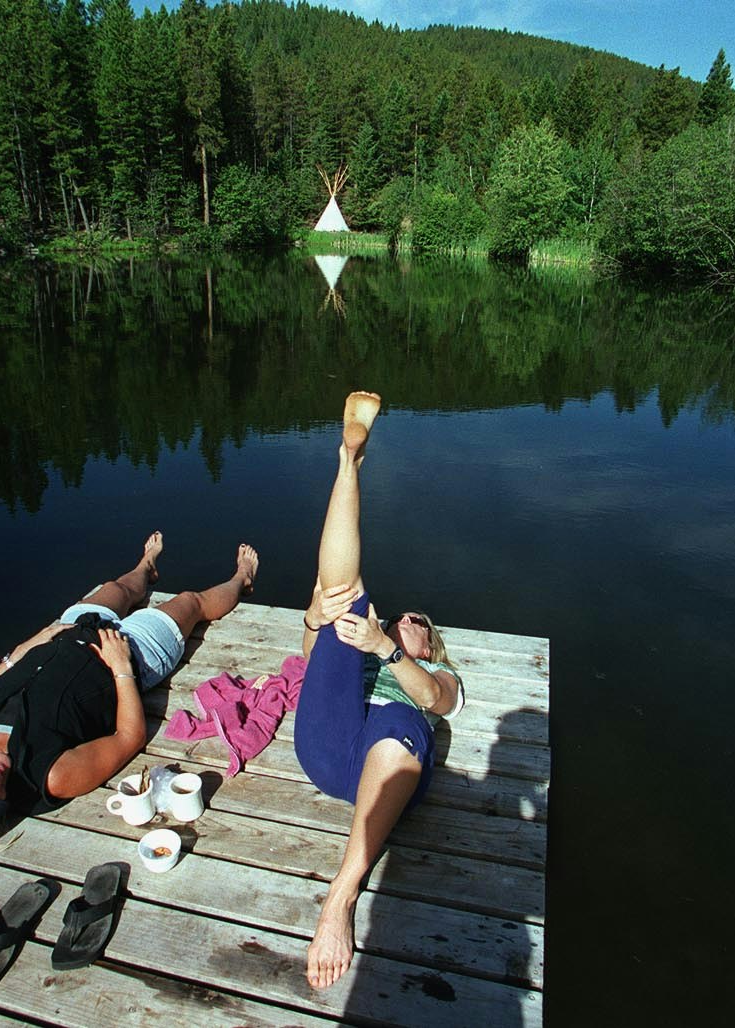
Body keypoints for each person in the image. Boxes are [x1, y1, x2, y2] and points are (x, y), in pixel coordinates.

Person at [0, 533, 258, 860]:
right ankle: (241, 578)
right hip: (126, 657)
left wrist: (21, 651)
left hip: (62, 637)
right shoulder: (48, 777)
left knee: (115, 587)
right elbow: (128, 737)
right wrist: (122, 666)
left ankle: (145, 567)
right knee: (190, 602)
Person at [294, 392, 465, 989]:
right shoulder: (372, 634)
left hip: (389, 762)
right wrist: (319, 619)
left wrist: (386, 649)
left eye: (423, 626)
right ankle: (347, 458)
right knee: (338, 592)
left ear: (432, 647)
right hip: (328, 744)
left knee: (400, 725)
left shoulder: (440, 675)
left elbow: (436, 703)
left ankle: (340, 898)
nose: (412, 622)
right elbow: (316, 667)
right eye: (406, 618)